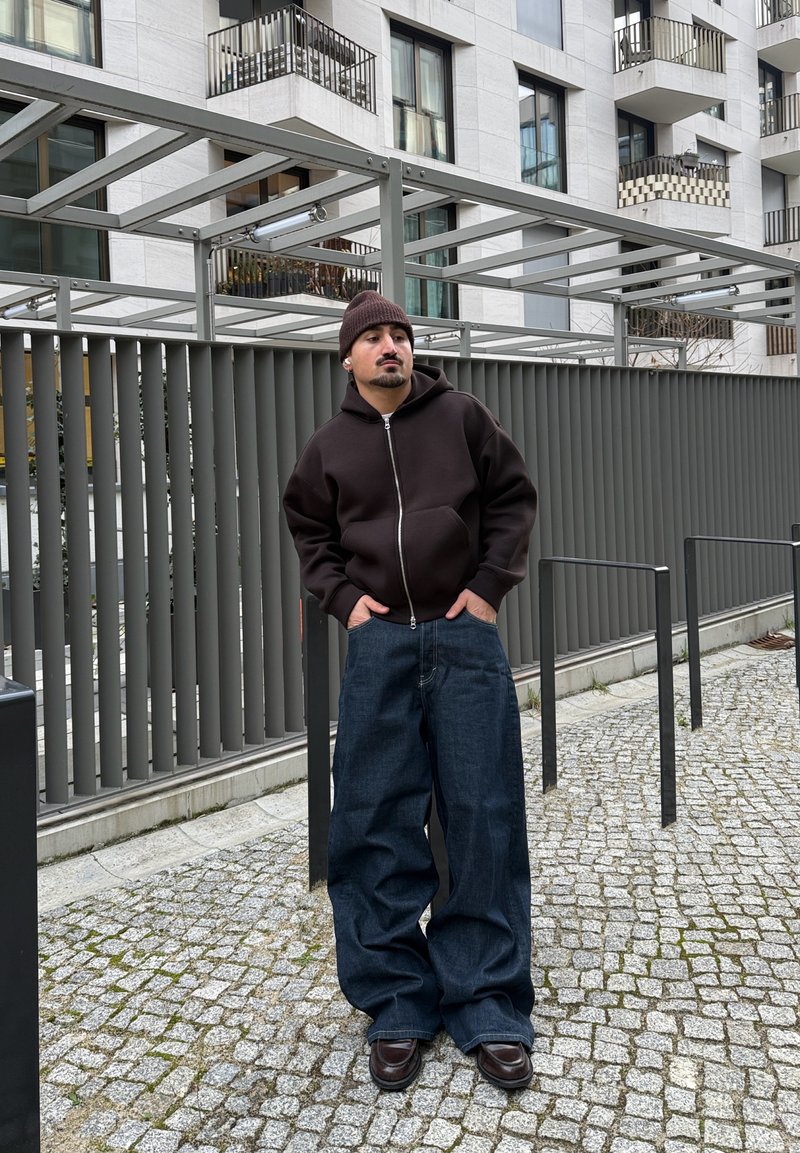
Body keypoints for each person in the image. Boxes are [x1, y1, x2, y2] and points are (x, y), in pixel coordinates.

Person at [283, 291, 537, 1092]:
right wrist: (347, 605)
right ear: (348, 357)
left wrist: (490, 586)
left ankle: (488, 998)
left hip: (464, 637)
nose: (390, 345)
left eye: (399, 334)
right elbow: (309, 535)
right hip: (381, 643)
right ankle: (396, 999)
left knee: (482, 813)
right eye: (373, 337)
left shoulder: (461, 415)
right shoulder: (327, 448)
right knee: (371, 818)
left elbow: (511, 500)